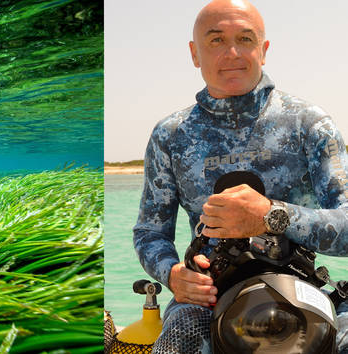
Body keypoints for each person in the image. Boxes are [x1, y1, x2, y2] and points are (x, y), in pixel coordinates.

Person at [133, 0, 348, 352]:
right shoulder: (170, 135)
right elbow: (150, 232)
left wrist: (270, 216)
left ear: (263, 51)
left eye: (245, 39)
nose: (232, 53)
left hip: (301, 287)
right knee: (177, 340)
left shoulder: (310, 123)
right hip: (208, 298)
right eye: (216, 40)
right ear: (194, 53)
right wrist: (173, 274)